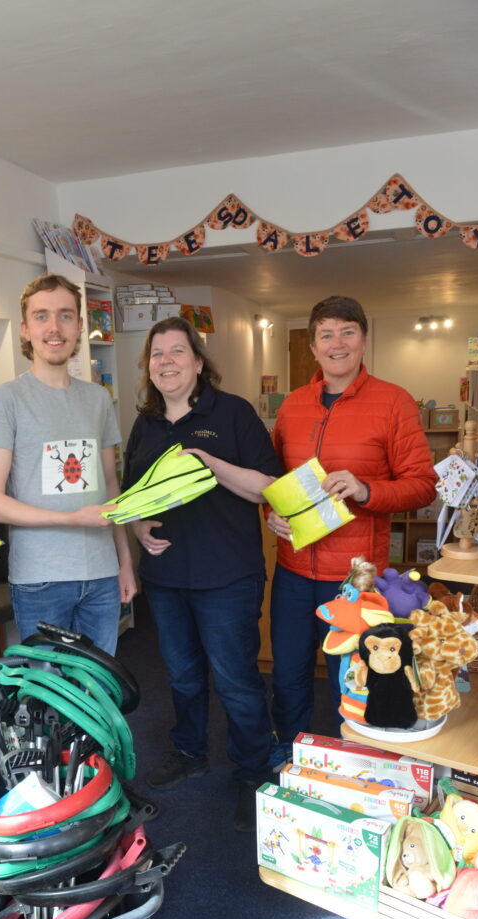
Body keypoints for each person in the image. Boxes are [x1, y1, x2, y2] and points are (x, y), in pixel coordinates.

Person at [122, 316, 283, 831]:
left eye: (176, 352)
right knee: (183, 675)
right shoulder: (145, 424)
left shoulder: (232, 413)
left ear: (197, 361)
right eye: (157, 354)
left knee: (237, 681)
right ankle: (190, 751)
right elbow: (131, 497)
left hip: (227, 576)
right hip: (168, 578)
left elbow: (268, 487)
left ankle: (253, 772)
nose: (166, 362)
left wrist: (211, 463)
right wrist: (141, 527)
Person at [267, 294, 438, 749]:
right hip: (293, 568)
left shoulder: (393, 402)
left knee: (354, 675)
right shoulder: (292, 406)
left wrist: (366, 490)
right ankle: (290, 753)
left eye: (348, 332)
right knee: (287, 672)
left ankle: (354, 762)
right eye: (326, 334)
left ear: (363, 340)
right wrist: (272, 513)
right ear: (314, 345)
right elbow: (275, 480)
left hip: (356, 578)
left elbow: (423, 485)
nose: (336, 343)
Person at [0, 273, 135, 656]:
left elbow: (111, 487)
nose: (54, 327)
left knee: (99, 691)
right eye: (42, 316)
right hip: (40, 579)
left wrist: (125, 562)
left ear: (80, 326)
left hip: (101, 574)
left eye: (65, 316)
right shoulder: (7, 400)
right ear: (26, 329)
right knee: (49, 699)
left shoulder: (98, 399)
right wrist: (72, 519)